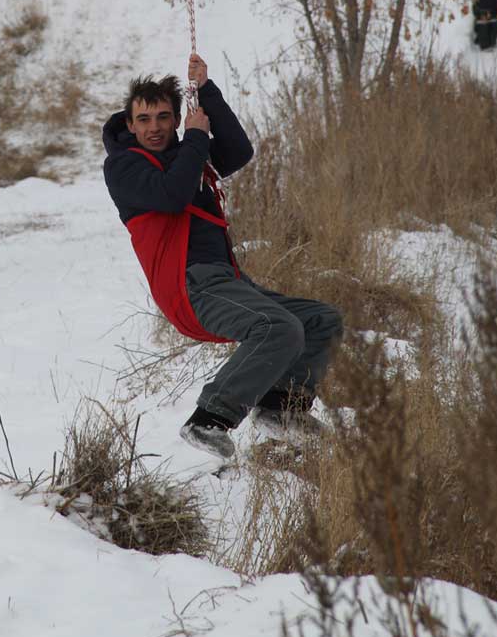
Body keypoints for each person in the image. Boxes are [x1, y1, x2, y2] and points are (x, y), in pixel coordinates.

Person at [102, 53, 343, 460]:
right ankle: (208, 419)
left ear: (176, 118)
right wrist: (195, 138)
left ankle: (282, 409)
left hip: (226, 281)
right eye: (144, 119)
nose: (154, 127)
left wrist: (207, 93)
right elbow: (172, 194)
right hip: (189, 285)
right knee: (276, 327)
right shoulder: (123, 167)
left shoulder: (188, 155)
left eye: (163, 117)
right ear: (129, 124)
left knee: (319, 320)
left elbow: (238, 152)